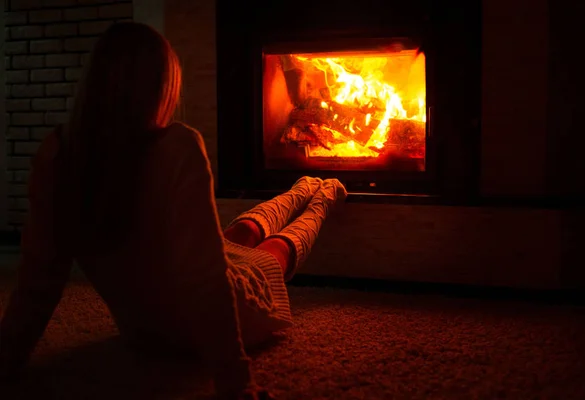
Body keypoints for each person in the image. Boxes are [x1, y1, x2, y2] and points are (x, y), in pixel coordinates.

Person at [0, 22, 347, 399]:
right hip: (224, 318)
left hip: (144, 330)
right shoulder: (178, 146)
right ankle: (323, 195)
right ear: (161, 87)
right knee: (269, 257)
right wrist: (236, 384)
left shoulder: (58, 154)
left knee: (227, 242)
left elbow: (37, 283)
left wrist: (5, 361)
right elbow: (208, 283)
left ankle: (306, 185)